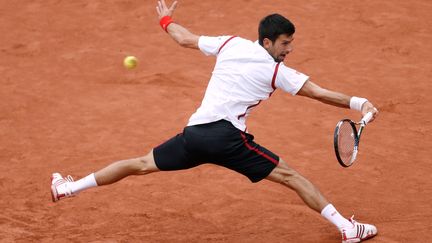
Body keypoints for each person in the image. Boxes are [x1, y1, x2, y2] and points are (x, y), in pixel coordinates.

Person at [51, 1, 379, 242]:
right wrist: (359, 102)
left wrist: (165, 20)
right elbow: (318, 92)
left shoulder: (230, 43)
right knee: (291, 177)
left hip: (194, 135)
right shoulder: (276, 71)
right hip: (227, 139)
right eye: (285, 43)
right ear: (267, 42)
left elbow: (184, 38)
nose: (289, 49)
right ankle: (347, 228)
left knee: (139, 164)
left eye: (290, 43)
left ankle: (67, 188)